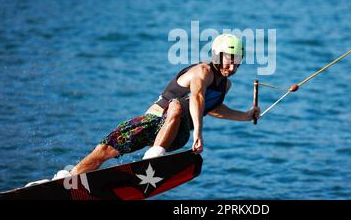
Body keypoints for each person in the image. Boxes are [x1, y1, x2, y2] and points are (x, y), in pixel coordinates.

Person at [58, 33, 261, 177]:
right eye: (229, 61)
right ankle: (67, 179)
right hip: (153, 121)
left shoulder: (225, 84)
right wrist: (199, 132)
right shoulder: (202, 71)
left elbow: (213, 108)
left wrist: (246, 115)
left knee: (178, 106)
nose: (233, 67)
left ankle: (154, 157)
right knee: (104, 150)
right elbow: (198, 97)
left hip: (177, 133)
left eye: (237, 62)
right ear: (217, 56)